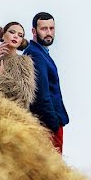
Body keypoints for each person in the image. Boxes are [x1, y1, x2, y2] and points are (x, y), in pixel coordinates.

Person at [23, 11, 69, 153]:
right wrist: (53, 125)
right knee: (53, 166)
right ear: (34, 31)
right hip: (48, 125)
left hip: (51, 122)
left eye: (51, 28)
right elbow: (41, 95)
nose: (48, 32)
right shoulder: (36, 54)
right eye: (44, 29)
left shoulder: (41, 52)